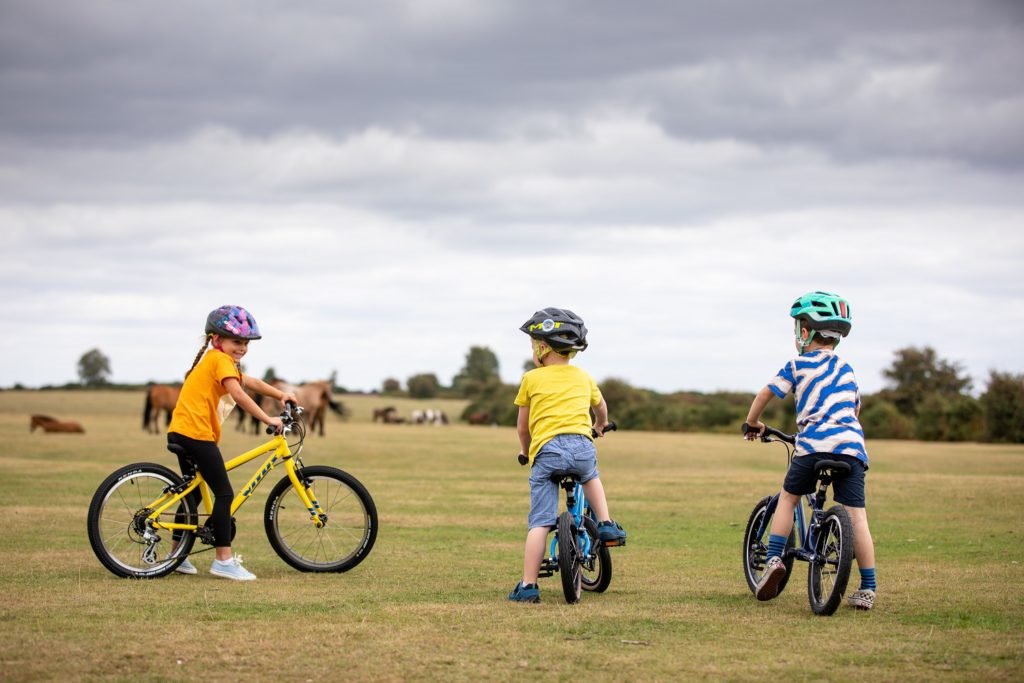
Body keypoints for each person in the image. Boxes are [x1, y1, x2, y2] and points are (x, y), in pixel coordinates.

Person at [743, 291, 877, 610]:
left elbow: (765, 393)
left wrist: (752, 422)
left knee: (788, 498)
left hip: (813, 445)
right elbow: (854, 409)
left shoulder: (797, 364)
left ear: (804, 333)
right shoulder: (847, 370)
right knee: (857, 517)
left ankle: (775, 558)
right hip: (851, 448)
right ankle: (868, 587)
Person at [167, 305, 297, 581]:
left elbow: (249, 381)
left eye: (246, 343)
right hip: (196, 435)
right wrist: (267, 418)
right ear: (217, 339)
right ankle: (223, 560)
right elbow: (238, 393)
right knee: (224, 494)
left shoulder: (217, 360)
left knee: (190, 493)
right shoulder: (219, 360)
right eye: (237, 341)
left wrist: (281, 394)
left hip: (183, 431)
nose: (242, 348)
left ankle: (176, 555)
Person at [508, 307, 627, 603]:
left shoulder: (531, 379)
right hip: (581, 445)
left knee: (540, 522)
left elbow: (523, 427)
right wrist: (599, 425)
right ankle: (605, 523)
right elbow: (601, 409)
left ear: (542, 347)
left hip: (546, 451)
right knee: (590, 476)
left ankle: (528, 586)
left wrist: (526, 452)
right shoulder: (583, 377)